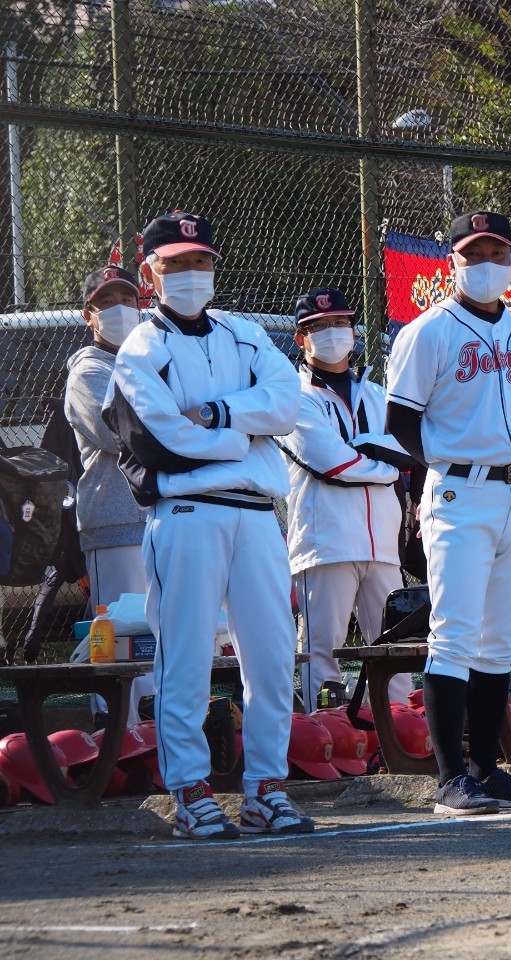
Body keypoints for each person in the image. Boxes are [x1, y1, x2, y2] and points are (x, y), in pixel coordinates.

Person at [103, 211, 309, 839]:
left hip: (255, 516)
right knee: (185, 657)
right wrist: (246, 435)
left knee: (274, 657)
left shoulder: (244, 334)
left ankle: (265, 789)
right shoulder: (141, 347)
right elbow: (160, 437)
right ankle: (190, 790)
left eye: (201, 261)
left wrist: (218, 415)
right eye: (176, 263)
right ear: (150, 273)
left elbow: (289, 402)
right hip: (185, 516)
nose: (191, 273)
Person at [385, 210, 511, 816]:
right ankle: (450, 779)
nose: (486, 263)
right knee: (452, 635)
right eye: (473, 252)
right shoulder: (427, 332)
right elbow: (400, 424)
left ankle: (486, 768)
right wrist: (422, 489)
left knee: (500, 641)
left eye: (496, 252)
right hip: (457, 491)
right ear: (451, 261)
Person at [277, 287, 414, 713]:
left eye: (339, 323)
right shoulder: (293, 397)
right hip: (325, 543)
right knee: (323, 654)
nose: (332, 332)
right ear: (301, 339)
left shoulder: (374, 393)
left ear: (354, 330)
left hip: (382, 545)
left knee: (396, 654)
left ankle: (398, 740)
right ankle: (326, 740)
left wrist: (378, 455)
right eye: (317, 326)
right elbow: (332, 465)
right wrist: (387, 465)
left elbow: (411, 449)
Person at [65, 266, 148, 613]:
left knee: (169, 635)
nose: (119, 308)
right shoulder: (88, 372)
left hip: (166, 516)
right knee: (121, 638)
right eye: (106, 302)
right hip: (116, 522)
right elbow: (125, 437)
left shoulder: (151, 361)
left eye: (127, 299)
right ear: (89, 316)